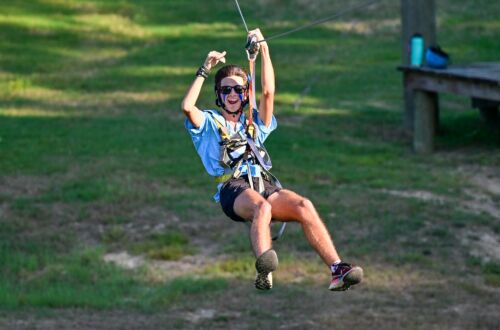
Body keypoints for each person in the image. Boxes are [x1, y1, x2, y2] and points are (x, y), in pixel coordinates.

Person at [181, 28, 363, 291]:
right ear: (218, 95)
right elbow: (187, 107)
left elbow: (268, 93)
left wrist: (264, 49)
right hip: (233, 188)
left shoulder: (253, 122)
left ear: (245, 94)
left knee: (303, 205)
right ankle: (264, 270)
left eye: (239, 89)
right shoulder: (209, 122)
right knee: (261, 208)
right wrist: (204, 69)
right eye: (226, 89)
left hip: (264, 183)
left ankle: (337, 269)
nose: (233, 94)